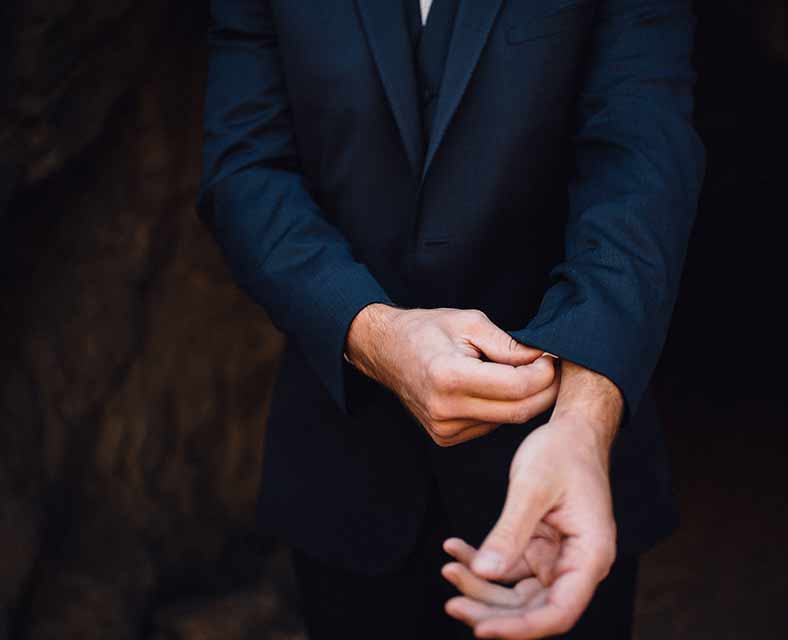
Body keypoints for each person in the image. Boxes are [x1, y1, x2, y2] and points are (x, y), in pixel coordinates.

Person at [197, 0, 704, 637]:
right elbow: (245, 175)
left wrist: (584, 416)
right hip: (346, 472)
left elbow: (641, 166)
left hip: (568, 472)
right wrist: (371, 332)